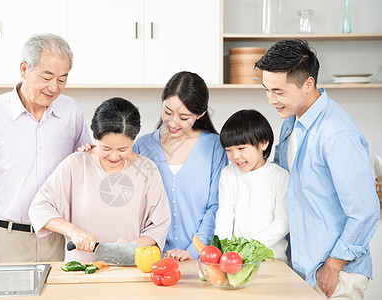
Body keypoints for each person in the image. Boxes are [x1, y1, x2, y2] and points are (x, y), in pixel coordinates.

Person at [255, 39, 380, 299]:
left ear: (308, 84)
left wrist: (333, 266)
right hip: (302, 268)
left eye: (278, 91)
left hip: (334, 273)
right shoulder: (291, 121)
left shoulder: (336, 133)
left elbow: (365, 212)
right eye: (266, 90)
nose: (270, 100)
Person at [0, 33, 91, 263]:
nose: (54, 87)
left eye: (62, 79)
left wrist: (89, 156)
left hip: (58, 240)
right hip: (6, 239)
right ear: (24, 69)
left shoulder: (71, 112)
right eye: (47, 76)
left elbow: (85, 175)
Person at [29, 97, 171, 261]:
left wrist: (134, 246)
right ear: (95, 138)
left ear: (133, 140)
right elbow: (39, 207)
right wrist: (72, 231)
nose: (114, 156)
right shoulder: (75, 165)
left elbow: (159, 225)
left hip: (129, 270)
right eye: (106, 148)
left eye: (123, 149)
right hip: (82, 271)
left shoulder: (147, 170)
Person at [133, 71, 228, 261]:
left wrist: (195, 250)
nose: (173, 122)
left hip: (201, 259)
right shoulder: (142, 146)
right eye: (168, 112)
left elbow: (216, 206)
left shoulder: (215, 147)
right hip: (151, 258)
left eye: (184, 117)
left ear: (200, 114)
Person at [214, 109, 289, 262]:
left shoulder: (279, 176)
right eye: (229, 150)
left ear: (264, 143)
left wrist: (247, 247)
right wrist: (222, 249)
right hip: (236, 260)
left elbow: (283, 222)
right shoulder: (228, 174)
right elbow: (225, 214)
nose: (235, 156)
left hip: (271, 259)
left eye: (241, 148)